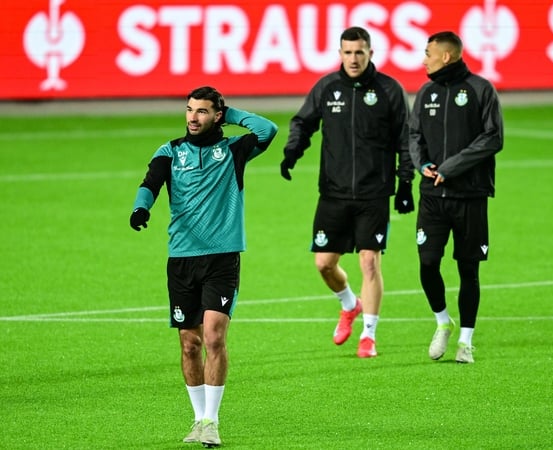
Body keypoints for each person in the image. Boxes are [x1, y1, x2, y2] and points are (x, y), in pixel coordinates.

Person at [129, 86, 278, 447]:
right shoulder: (170, 151)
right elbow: (151, 182)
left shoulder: (233, 151)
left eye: (202, 111)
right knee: (190, 344)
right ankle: (198, 419)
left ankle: (212, 420)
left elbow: (268, 129)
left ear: (217, 116)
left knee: (214, 336)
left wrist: (232, 113)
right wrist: (141, 207)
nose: (193, 117)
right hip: (181, 258)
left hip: (222, 258)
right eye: (189, 109)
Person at [279, 26, 414, 358]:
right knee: (324, 264)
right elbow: (303, 122)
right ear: (340, 54)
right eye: (348, 52)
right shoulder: (327, 88)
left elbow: (406, 138)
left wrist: (406, 183)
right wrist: (293, 151)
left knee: (369, 261)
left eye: (359, 52)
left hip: (374, 192)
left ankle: (369, 335)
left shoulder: (389, 90)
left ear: (370, 53)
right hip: (334, 192)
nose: (353, 59)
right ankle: (349, 304)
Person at [408, 31, 504, 364]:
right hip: (432, 196)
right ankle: (442, 321)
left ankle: (466, 340)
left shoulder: (480, 89)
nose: (424, 59)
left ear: (446, 56)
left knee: (468, 270)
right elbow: (414, 135)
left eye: (428, 53)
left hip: (470, 195)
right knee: (427, 263)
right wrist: (422, 164)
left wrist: (451, 167)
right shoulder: (426, 92)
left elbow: (493, 138)